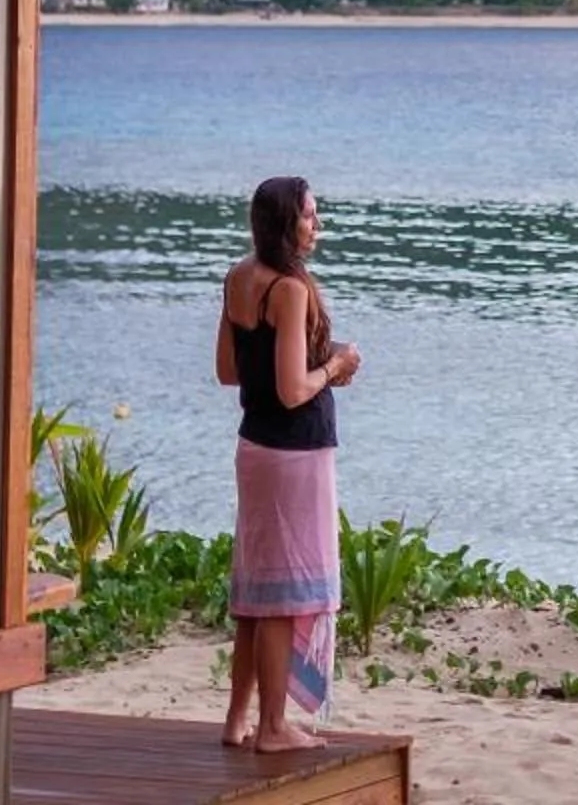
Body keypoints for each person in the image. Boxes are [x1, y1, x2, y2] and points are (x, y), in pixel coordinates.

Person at [215, 175, 361, 751]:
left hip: (255, 447)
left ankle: (238, 720)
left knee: (258, 592)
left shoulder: (238, 277)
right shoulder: (290, 289)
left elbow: (229, 371)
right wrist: (335, 366)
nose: (316, 225)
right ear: (284, 223)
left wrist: (308, 363)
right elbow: (293, 390)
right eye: (307, 215)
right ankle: (273, 727)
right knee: (285, 594)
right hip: (293, 454)